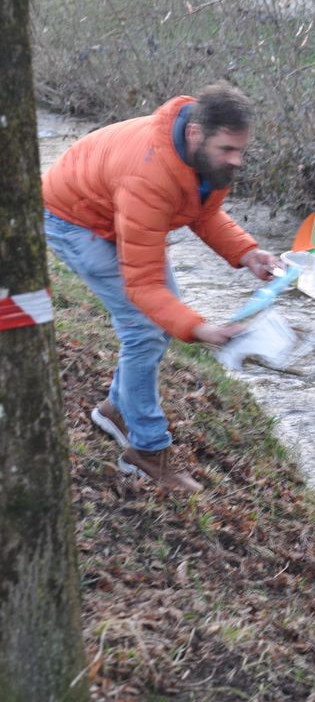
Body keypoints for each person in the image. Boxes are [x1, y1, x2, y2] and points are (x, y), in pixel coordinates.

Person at [43, 81, 276, 493]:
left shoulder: (206, 159)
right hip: (74, 220)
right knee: (145, 327)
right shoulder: (148, 174)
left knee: (160, 318)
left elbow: (203, 213)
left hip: (116, 212)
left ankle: (117, 408)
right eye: (228, 149)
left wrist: (246, 252)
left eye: (241, 150)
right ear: (195, 133)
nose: (236, 160)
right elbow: (144, 285)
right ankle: (146, 450)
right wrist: (198, 328)